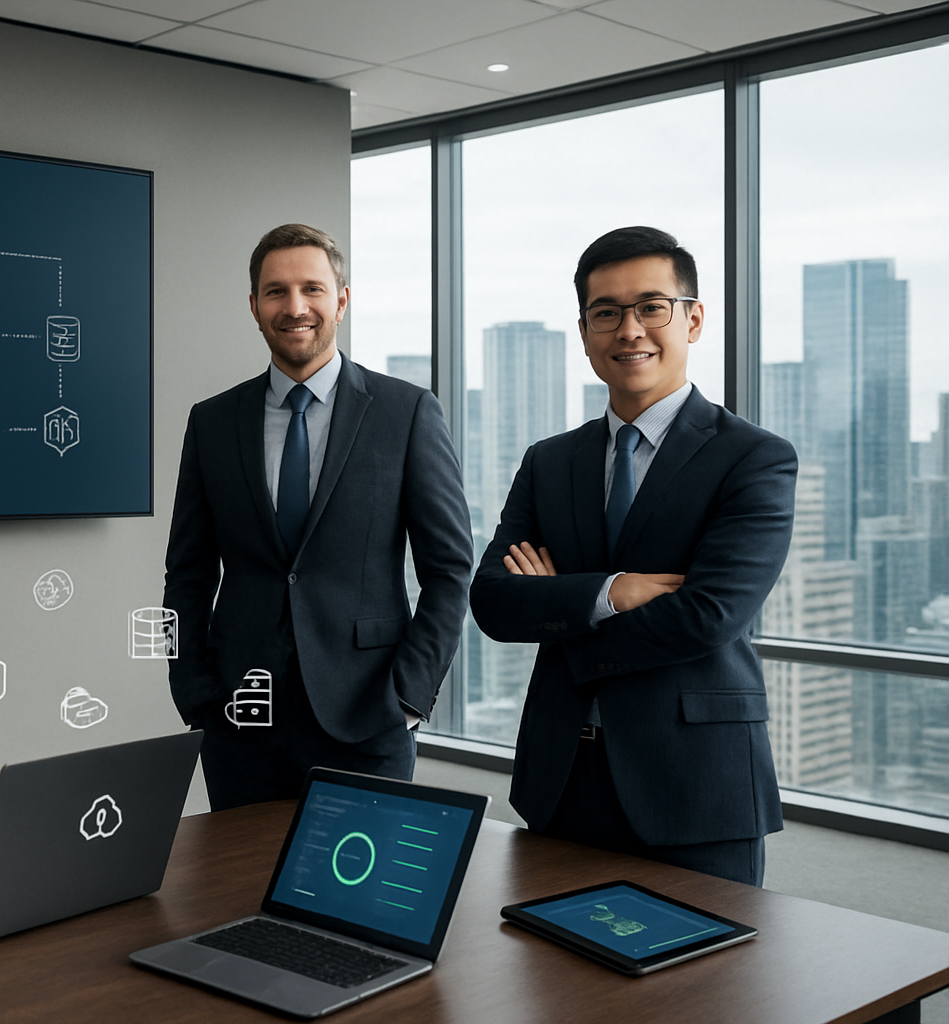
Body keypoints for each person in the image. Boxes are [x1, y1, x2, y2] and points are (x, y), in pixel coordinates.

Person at [469, 226, 796, 886]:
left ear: (693, 319)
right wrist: (611, 592)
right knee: (556, 981)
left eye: (652, 307)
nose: (630, 330)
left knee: (704, 987)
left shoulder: (752, 457)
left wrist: (564, 616)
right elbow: (494, 600)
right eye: (606, 313)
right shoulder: (550, 461)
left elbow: (710, 614)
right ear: (586, 329)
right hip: (562, 778)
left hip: (696, 785)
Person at [163, 223, 472, 810]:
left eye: (312, 288)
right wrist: (194, 693)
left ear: (342, 300)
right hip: (239, 719)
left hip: (369, 714)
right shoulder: (212, 421)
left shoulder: (406, 413)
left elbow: (451, 569)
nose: (295, 307)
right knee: (238, 894)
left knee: (359, 896)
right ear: (254, 307)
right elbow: (186, 574)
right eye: (276, 292)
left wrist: (408, 698)